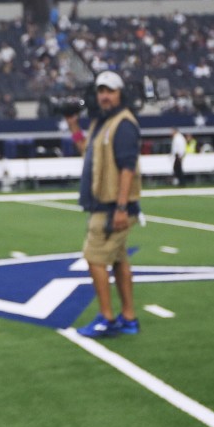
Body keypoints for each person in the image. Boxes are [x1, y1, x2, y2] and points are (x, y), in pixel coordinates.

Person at [64, 70, 141, 338]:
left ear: (121, 94)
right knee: (119, 261)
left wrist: (121, 207)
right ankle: (129, 318)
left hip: (112, 208)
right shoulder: (102, 123)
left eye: (110, 91)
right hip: (105, 205)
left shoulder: (124, 123)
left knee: (94, 258)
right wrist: (74, 127)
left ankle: (106, 318)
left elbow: (128, 168)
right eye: (101, 91)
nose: (105, 96)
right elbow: (87, 151)